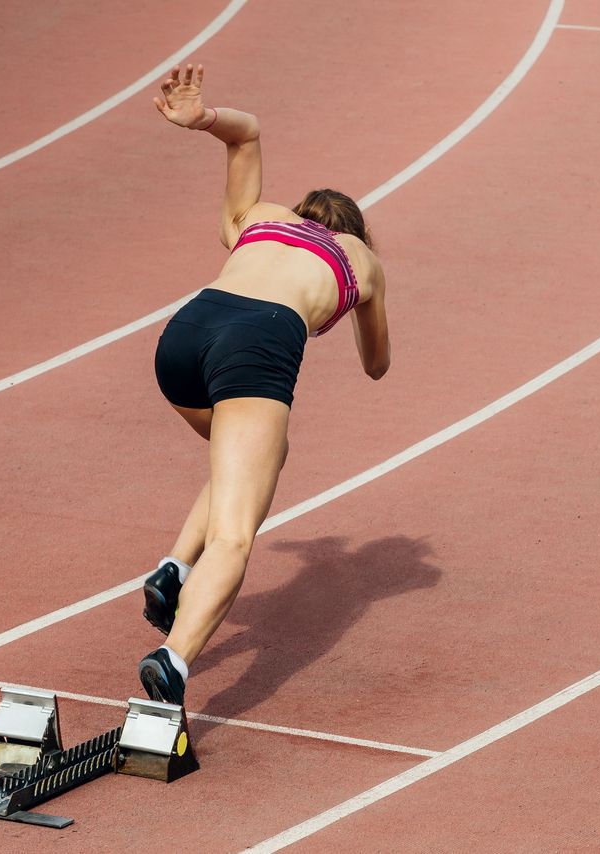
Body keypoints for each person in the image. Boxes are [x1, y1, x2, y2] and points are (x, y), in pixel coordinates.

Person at [137, 65, 391, 706]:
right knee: (237, 530)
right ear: (353, 230)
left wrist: (204, 119)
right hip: (259, 341)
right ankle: (173, 660)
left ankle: (175, 566)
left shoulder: (263, 217)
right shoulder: (360, 258)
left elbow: (246, 138)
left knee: (252, 454)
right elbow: (377, 364)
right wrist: (359, 304)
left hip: (186, 332)